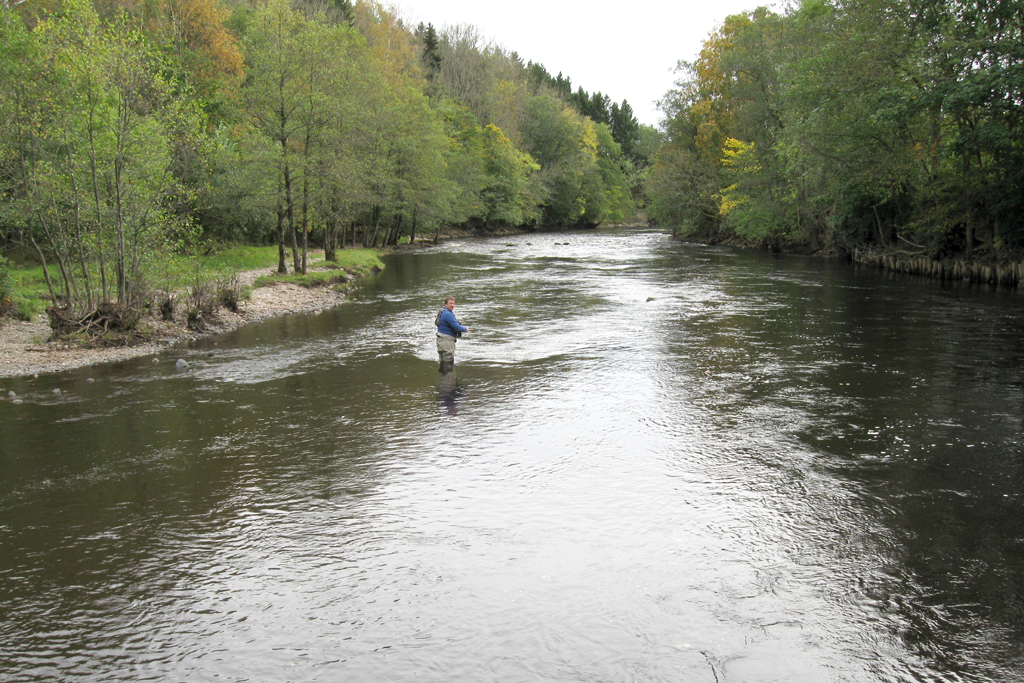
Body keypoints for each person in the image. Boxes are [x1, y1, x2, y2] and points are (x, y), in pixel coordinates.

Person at [436, 296, 470, 372]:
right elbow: (456, 327)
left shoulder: (443, 312)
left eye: (453, 303)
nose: (452, 305)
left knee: (442, 362)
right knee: (448, 363)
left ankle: (443, 381)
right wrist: (465, 329)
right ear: (445, 304)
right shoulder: (448, 314)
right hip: (446, 341)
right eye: (450, 303)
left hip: (441, 340)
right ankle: (449, 382)